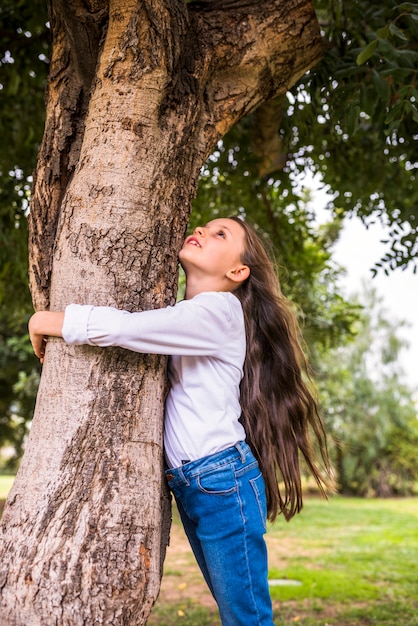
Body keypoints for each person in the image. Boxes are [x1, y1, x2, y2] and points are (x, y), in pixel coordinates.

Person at [29, 217, 331, 626]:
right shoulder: (192, 315)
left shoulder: (219, 310)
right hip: (202, 482)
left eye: (220, 234)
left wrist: (49, 321)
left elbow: (126, 328)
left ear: (237, 272)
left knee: (247, 619)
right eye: (205, 227)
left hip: (221, 481)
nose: (203, 231)